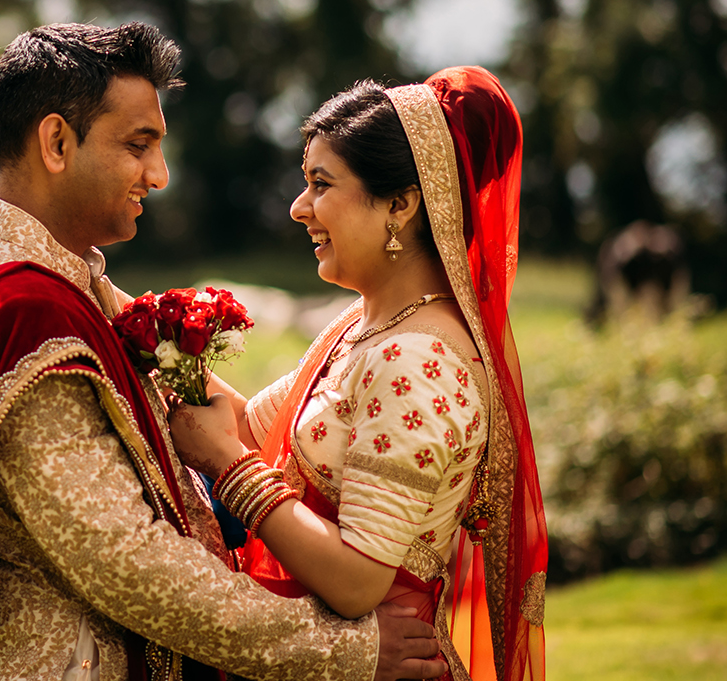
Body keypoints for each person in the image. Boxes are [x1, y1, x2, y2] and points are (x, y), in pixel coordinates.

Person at [0, 22, 447, 681]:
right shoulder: (24, 318)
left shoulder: (58, 278)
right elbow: (130, 562)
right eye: (138, 145)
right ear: (56, 142)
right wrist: (344, 650)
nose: (159, 174)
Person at [167, 68, 548, 681]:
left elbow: (357, 581)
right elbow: (247, 427)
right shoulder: (365, 326)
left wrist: (228, 470)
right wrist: (143, 329)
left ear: (400, 204)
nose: (299, 208)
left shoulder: (419, 361)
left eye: (321, 184)